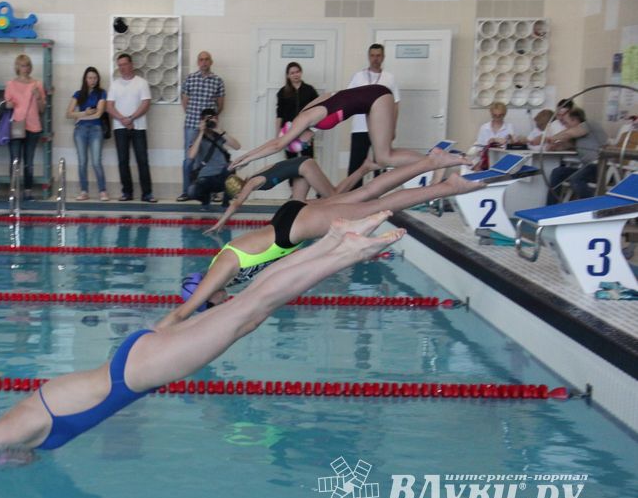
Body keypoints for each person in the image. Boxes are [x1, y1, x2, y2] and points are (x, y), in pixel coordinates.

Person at [0, 214, 406, 459]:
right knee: (246, 311)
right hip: (135, 364)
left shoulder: (10, 428)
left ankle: (345, 252)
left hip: (134, 373)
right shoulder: (20, 436)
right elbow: (9, 456)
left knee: (248, 309)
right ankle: (330, 242)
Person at [159, 148, 477, 326]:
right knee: (368, 192)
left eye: (209, 305)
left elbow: (182, 313)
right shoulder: (224, 278)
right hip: (290, 219)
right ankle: (431, 162)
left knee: (376, 205)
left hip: (294, 227)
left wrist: (156, 334)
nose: (216, 306)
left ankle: (446, 187)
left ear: (204, 292)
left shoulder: (221, 269)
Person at [229, 84, 424, 172]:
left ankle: (433, 162)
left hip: (377, 98)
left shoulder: (305, 118)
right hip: (372, 99)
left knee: (384, 157)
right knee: (377, 158)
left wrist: (245, 159)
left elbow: (277, 145)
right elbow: (336, 95)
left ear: (297, 136)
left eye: (301, 143)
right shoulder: (308, 117)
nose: (306, 144)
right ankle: (431, 163)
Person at [208, 156, 359, 234]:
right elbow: (276, 167)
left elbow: (237, 204)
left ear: (238, 191)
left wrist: (220, 222)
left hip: (304, 166)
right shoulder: (253, 177)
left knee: (333, 195)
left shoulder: (250, 184)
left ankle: (364, 168)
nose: (239, 197)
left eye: (237, 195)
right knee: (298, 206)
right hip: (298, 170)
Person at [345, 44, 400, 186]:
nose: (375, 59)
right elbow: (348, 98)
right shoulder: (359, 77)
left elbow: (395, 104)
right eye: (373, 55)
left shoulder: (389, 78)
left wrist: (392, 128)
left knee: (381, 164)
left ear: (383, 57)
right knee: (356, 165)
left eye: (378, 55)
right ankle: (352, 200)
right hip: (360, 128)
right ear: (369, 57)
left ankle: (377, 198)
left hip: (382, 130)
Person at [107, 53, 155, 202]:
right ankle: (127, 192)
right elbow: (109, 106)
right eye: (119, 65)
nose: (122, 68)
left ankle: (147, 193)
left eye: (124, 64)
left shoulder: (141, 83)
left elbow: (146, 104)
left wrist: (131, 118)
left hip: (138, 127)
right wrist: (123, 119)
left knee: (142, 160)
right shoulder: (114, 84)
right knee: (123, 161)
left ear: (131, 65)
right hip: (120, 127)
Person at [178, 51, 225, 201]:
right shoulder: (190, 79)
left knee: (208, 160)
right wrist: (195, 117)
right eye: (201, 60)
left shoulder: (218, 81)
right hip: (192, 125)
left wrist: (210, 122)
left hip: (210, 129)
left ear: (211, 62)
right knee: (189, 159)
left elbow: (220, 105)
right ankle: (186, 191)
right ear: (198, 62)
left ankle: (208, 191)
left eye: (206, 59)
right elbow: (185, 102)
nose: (204, 62)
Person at [5, 54, 47, 202]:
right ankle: (14, 191)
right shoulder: (10, 84)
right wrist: (8, 105)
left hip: (33, 126)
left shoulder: (37, 84)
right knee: (15, 160)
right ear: (18, 67)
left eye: (28, 65)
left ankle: (28, 191)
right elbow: (7, 104)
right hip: (17, 124)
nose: (26, 68)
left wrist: (38, 97)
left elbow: (42, 109)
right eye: (23, 65)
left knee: (29, 161)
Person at [546, 107, 608, 204]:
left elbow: (568, 134)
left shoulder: (589, 125)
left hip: (600, 167)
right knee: (558, 172)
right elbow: (564, 145)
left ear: (574, 119)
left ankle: (592, 206)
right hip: (588, 168)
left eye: (566, 123)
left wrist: (553, 138)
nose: (565, 126)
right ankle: (550, 208)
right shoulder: (578, 137)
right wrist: (553, 146)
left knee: (576, 179)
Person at [66, 66, 108, 201]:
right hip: (80, 131)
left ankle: (102, 191)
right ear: (85, 79)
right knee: (82, 162)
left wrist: (79, 116)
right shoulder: (78, 94)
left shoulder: (102, 93)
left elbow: (99, 114)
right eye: (90, 78)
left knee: (96, 161)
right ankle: (84, 191)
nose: (92, 80)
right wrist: (84, 113)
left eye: (95, 78)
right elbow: (68, 114)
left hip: (96, 129)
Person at [186, 108, 240, 210]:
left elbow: (237, 146)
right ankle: (206, 199)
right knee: (191, 192)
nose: (210, 122)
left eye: (213, 119)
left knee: (232, 167)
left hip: (222, 175)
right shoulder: (196, 135)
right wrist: (201, 133)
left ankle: (226, 202)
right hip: (205, 177)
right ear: (202, 120)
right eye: (207, 120)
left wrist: (219, 130)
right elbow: (191, 156)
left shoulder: (219, 134)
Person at [276, 62, 319, 160]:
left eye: (297, 72)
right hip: (288, 131)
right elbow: (279, 114)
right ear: (288, 75)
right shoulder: (282, 92)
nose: (295, 75)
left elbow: (318, 111)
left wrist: (313, 131)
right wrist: (278, 135)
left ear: (301, 72)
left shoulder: (310, 90)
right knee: (290, 162)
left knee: (308, 160)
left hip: (306, 130)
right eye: (292, 73)